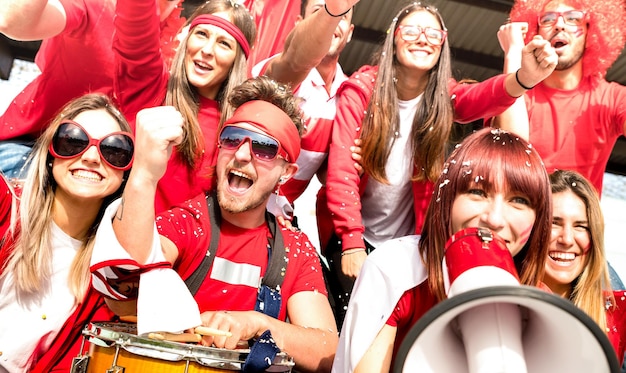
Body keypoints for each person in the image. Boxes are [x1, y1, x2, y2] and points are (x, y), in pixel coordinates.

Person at [323, 1, 557, 327]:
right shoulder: (361, 92)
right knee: (355, 323)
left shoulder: (443, 99)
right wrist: (350, 242)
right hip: (354, 238)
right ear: (393, 37)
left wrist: (521, 79)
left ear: (443, 42)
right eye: (412, 30)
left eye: (433, 32)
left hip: (411, 242)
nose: (423, 38)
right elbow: (341, 172)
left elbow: (480, 98)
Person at [92, 76, 338, 373]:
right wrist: (144, 174)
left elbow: (328, 352)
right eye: (232, 138)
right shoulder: (188, 222)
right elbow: (125, 277)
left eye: (263, 147)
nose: (243, 154)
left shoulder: (294, 249)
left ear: (286, 173)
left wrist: (257, 324)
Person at [331, 127, 551, 372]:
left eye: (518, 201)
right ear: (447, 199)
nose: (495, 219)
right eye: (477, 193)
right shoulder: (395, 269)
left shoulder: (542, 304)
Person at [0, 93, 134, 372]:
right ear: (51, 152)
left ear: (125, 174)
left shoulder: (107, 274)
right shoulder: (6, 208)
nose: (91, 157)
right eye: (74, 140)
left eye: (114, 150)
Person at [0, 0, 184, 179]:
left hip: (106, 164)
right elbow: (11, 21)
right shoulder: (96, 5)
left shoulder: (180, 44)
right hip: (34, 144)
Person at [112, 0, 256, 213]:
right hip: (120, 235)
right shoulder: (151, 88)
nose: (207, 50)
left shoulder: (240, 130)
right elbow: (135, 25)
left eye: (224, 43)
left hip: (190, 245)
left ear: (238, 60)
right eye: (202, 34)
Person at [495, 0, 626, 197]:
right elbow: (510, 150)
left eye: (573, 18)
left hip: (577, 224)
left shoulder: (612, 97)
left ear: (592, 33)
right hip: (524, 220)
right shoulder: (519, 93)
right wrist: (514, 52)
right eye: (547, 19)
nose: (559, 24)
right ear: (535, 34)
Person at [251, 0, 358, 228]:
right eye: (320, 11)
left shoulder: (349, 93)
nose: (331, 21)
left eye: (341, 16)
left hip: (281, 224)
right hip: (241, 208)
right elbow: (295, 58)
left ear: (349, 33)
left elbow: (326, 175)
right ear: (299, 24)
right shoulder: (281, 70)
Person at [545, 169, 626, 366]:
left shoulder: (617, 318)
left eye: (581, 226)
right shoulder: (500, 306)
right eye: (554, 223)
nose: (566, 239)